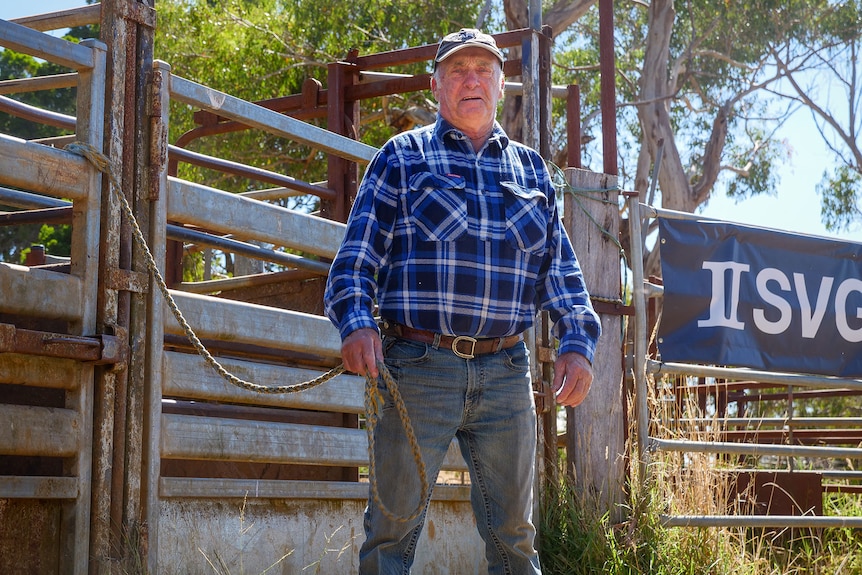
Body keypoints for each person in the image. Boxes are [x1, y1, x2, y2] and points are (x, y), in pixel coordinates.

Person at [324, 28, 601, 575]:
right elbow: (355, 261)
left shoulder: (534, 173)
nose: (471, 80)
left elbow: (561, 271)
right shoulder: (402, 157)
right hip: (418, 366)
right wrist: (356, 322)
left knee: (515, 540)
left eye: (483, 70)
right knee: (390, 536)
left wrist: (578, 342)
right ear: (436, 86)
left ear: (501, 85)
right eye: (457, 70)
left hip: (506, 371)